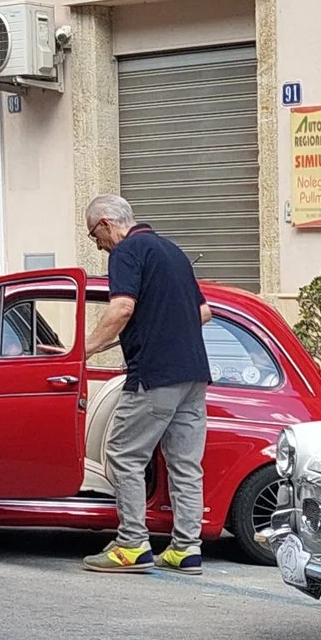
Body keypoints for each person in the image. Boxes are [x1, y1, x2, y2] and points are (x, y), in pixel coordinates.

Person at [78, 194, 214, 576]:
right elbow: (204, 312)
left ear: (105, 224)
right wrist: (160, 327)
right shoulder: (173, 251)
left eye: (94, 236)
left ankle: (131, 544)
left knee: (124, 454)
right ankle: (186, 549)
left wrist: (83, 349)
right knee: (185, 465)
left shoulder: (126, 252)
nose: (98, 246)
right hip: (194, 375)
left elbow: (122, 308)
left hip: (154, 376)